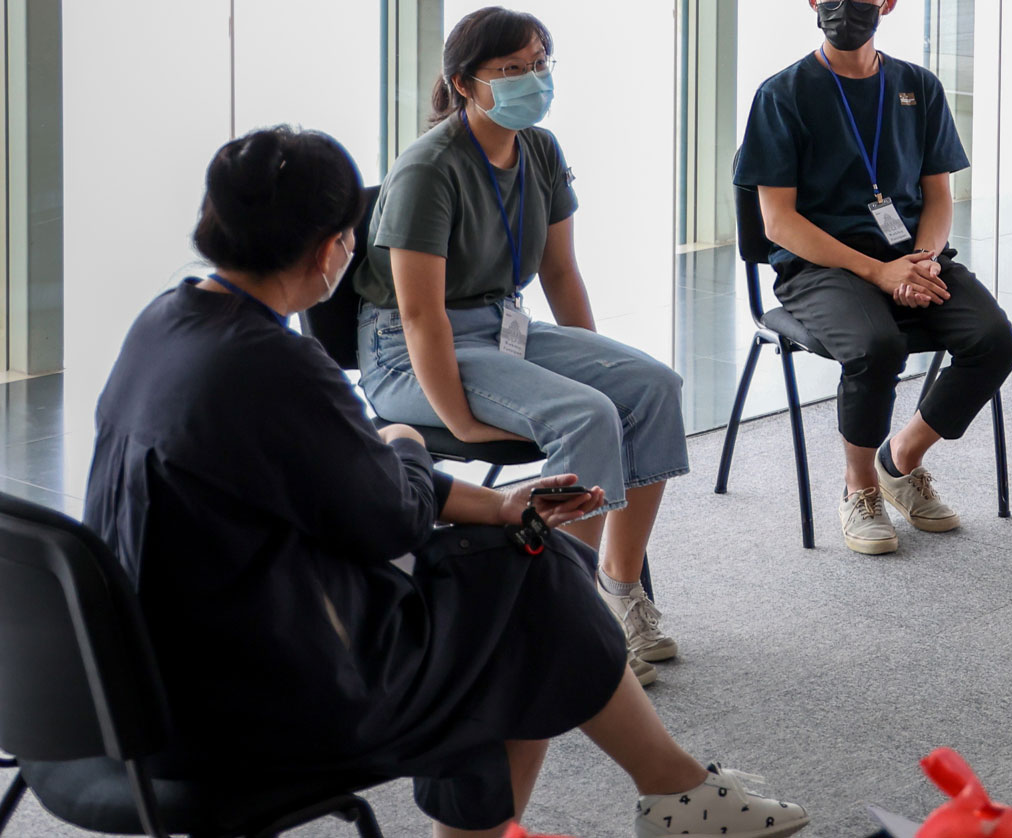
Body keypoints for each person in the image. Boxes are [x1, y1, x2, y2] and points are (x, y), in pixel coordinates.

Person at [85, 128, 805, 838]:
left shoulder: (167, 323)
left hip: (140, 684)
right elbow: (387, 518)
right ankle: (674, 791)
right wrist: (398, 439)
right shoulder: (276, 368)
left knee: (522, 569)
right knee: (535, 587)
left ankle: (669, 791)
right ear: (333, 248)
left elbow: (340, 491)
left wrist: (498, 504)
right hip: (252, 708)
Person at [356, 8, 690, 683]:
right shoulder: (428, 169)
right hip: (412, 351)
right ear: (464, 83)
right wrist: (455, 417)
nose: (532, 80)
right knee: (586, 415)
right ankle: (564, 625)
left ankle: (617, 590)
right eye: (511, 70)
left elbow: (559, 271)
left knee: (654, 387)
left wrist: (602, 368)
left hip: (503, 328)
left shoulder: (539, 149)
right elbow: (420, 313)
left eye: (539, 63)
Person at [736, 0, 1012, 555]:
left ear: (887, 2)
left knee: (994, 340)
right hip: (821, 268)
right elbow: (778, 222)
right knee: (876, 346)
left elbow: (938, 196)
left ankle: (900, 460)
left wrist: (919, 260)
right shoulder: (782, 95)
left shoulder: (918, 86)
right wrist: (880, 271)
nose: (846, 6)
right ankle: (858, 486)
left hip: (911, 259)